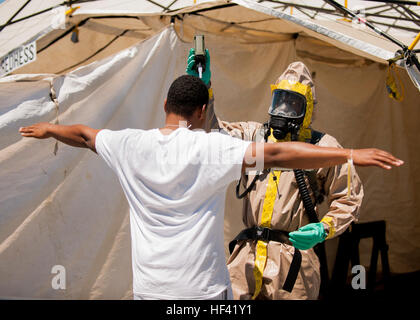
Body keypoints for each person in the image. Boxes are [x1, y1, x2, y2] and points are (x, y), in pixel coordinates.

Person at [19, 74, 402, 300]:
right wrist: (352, 153)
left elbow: (85, 135)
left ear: (165, 102)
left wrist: (49, 128)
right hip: (204, 292)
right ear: (203, 112)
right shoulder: (216, 150)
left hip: (153, 291)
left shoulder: (128, 145)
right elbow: (282, 155)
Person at [186, 50, 370, 299]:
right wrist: (202, 89)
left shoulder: (322, 148)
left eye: (292, 104)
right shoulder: (255, 137)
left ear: (306, 109)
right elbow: (212, 135)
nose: (283, 110)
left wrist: (323, 229)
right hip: (246, 259)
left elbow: (349, 197)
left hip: (293, 262)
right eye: (279, 100)